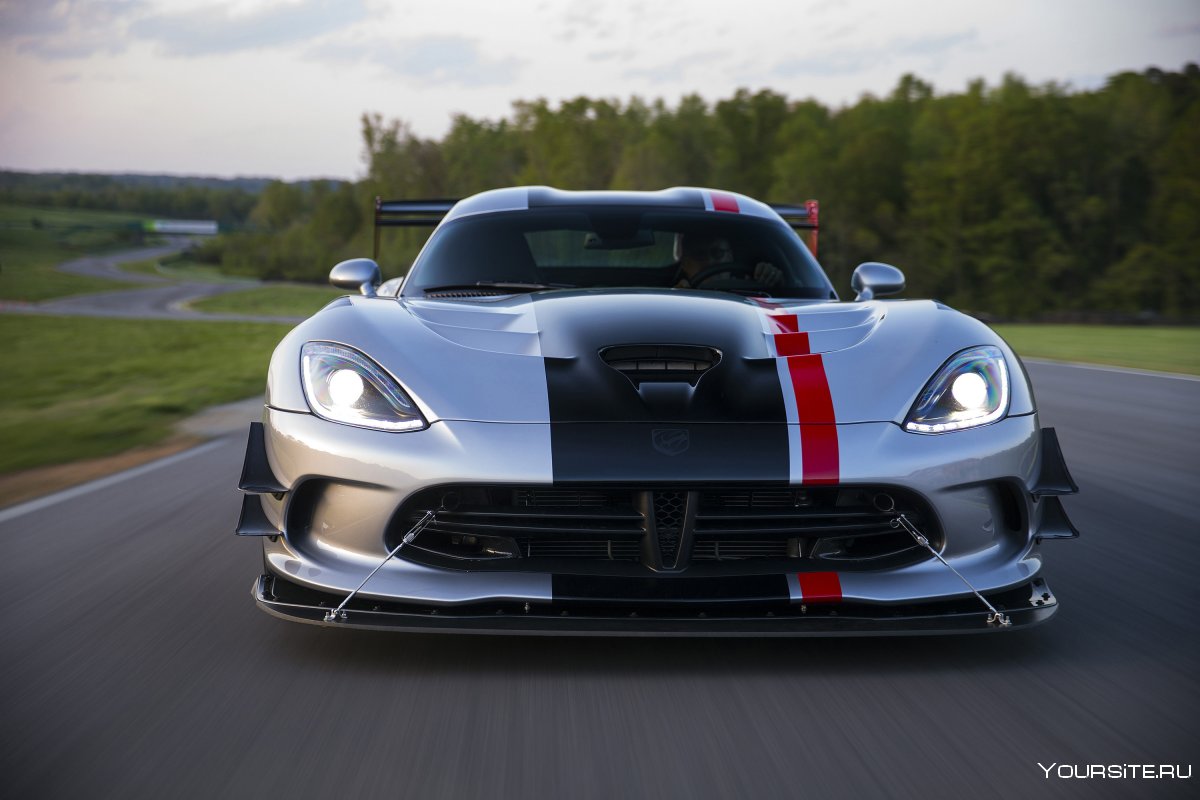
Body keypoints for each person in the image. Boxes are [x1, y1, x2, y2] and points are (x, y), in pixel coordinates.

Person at [674, 233, 783, 288]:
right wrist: (676, 298)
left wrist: (772, 279)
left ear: (730, 257)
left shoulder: (754, 289)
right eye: (700, 255)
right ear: (685, 264)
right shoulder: (675, 298)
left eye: (718, 253)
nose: (710, 261)